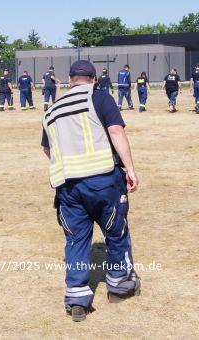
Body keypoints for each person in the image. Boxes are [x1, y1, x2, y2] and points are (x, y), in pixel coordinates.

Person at [41, 60, 141, 322]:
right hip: (103, 180)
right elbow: (116, 131)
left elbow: (47, 149)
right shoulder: (100, 98)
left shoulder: (51, 110)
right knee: (116, 233)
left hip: (67, 187)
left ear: (70, 78)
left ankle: (77, 298)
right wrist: (130, 168)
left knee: (76, 240)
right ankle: (119, 286)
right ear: (94, 79)